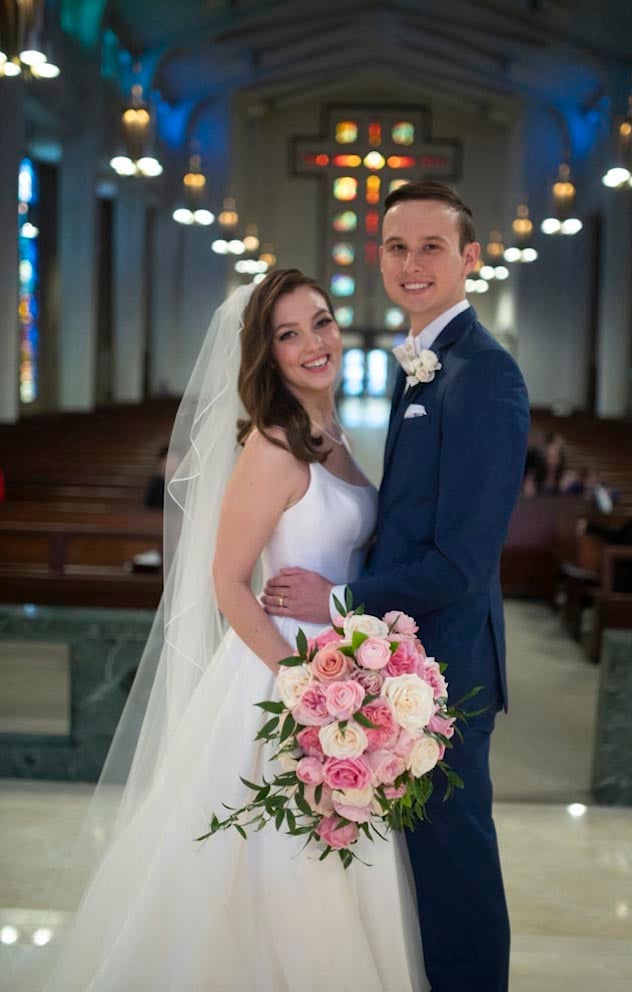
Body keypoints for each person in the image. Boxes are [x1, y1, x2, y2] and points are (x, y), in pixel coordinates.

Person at [5, 270, 427, 992]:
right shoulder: (272, 446)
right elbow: (227, 583)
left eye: (320, 322)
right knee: (276, 869)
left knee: (331, 863)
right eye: (287, 335)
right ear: (267, 354)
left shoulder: (333, 433)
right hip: (282, 681)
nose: (313, 344)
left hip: (340, 672)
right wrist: (303, 693)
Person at [264, 181, 530, 991]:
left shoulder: (484, 374)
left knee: (457, 874)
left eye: (432, 247)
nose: (411, 264)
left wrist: (339, 605)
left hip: (449, 670)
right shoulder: (427, 365)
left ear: (471, 259)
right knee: (419, 872)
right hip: (406, 659)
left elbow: (460, 562)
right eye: (396, 247)